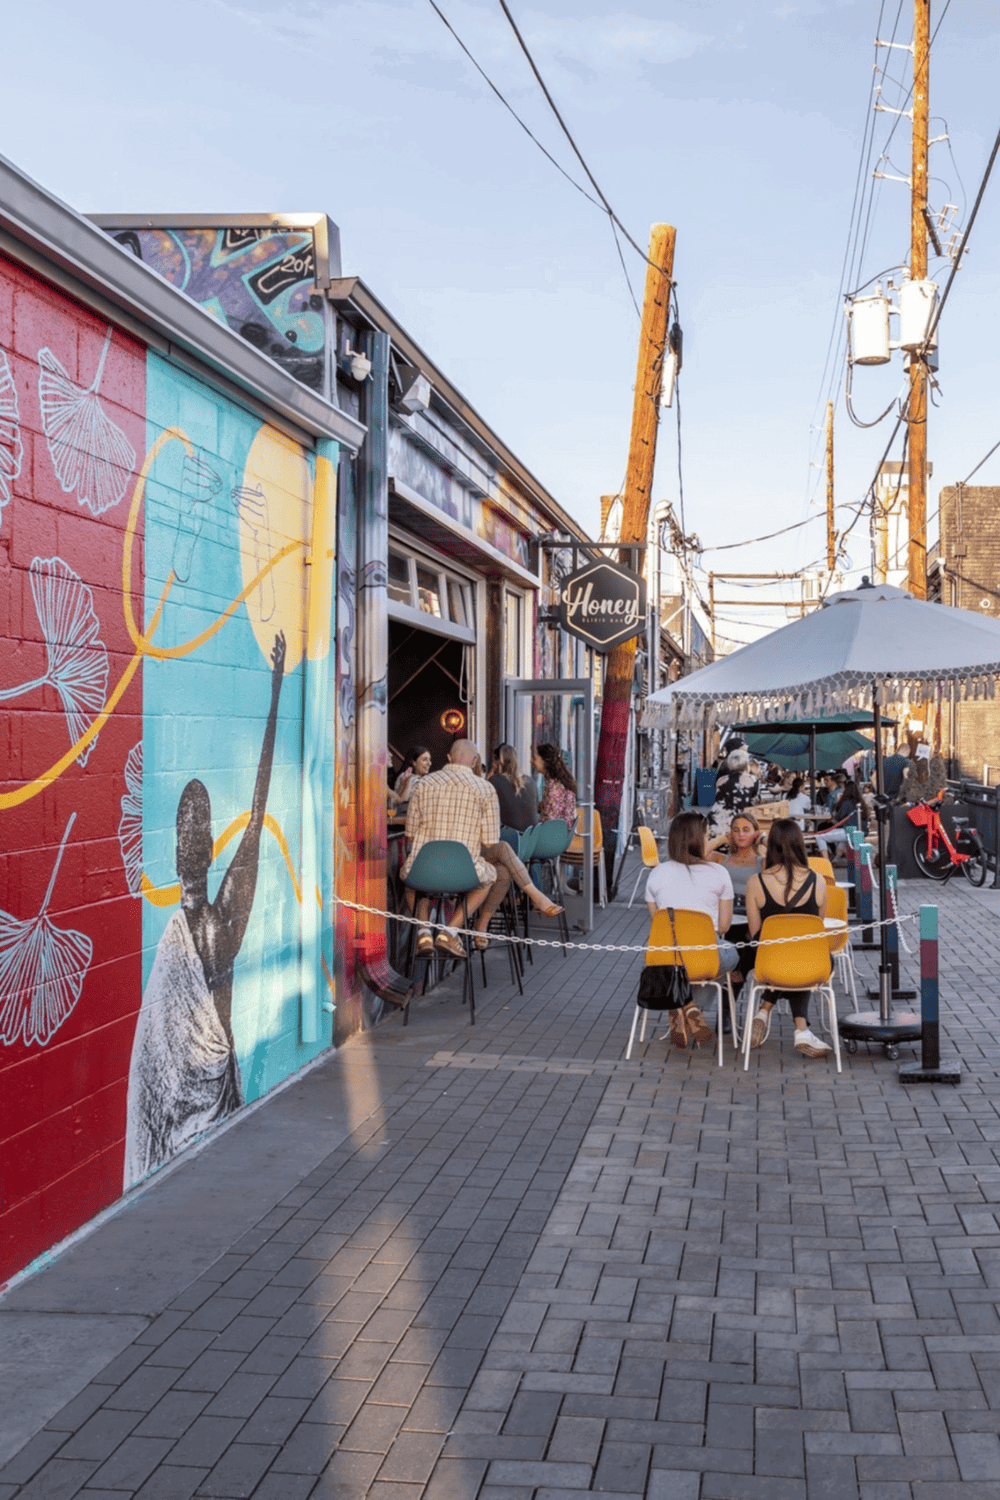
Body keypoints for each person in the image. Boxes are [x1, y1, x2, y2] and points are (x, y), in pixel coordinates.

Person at [125, 632, 286, 1188]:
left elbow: (261, 804)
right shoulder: (178, 935)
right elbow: (150, 1072)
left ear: (212, 840)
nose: (190, 839)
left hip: (218, 1094)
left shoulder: (223, 922)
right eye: (184, 829)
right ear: (174, 846)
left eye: (200, 827)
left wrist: (275, 691)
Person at [402, 739, 511, 958]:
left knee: (410, 878)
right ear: (473, 761)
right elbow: (490, 841)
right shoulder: (485, 789)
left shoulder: (423, 784)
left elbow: (410, 834)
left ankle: (423, 932)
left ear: (449, 758)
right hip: (464, 874)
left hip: (426, 871)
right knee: (488, 878)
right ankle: (449, 932)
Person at [645, 810, 738, 1049]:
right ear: (700, 839)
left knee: (683, 962)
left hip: (664, 958)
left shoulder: (656, 874)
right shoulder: (719, 874)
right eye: (707, 836)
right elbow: (724, 926)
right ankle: (692, 1008)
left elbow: (659, 923)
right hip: (704, 957)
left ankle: (682, 1007)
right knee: (729, 954)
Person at [744, 817, 831, 1059]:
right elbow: (818, 927)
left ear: (770, 845)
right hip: (810, 963)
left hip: (770, 963)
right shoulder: (818, 880)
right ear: (800, 844)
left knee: (786, 960)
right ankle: (801, 1029)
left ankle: (764, 1009)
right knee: (803, 957)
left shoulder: (756, 882)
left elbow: (755, 933)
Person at [708, 811, 763, 1002]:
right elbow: (695, 854)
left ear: (755, 833)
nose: (740, 834)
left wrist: (763, 840)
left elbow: (783, 855)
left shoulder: (761, 861)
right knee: (734, 936)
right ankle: (736, 976)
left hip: (752, 916)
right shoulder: (720, 859)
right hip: (726, 915)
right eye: (736, 830)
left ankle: (736, 974)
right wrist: (721, 838)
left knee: (745, 938)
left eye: (746, 830)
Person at [489, 743, 538, 832]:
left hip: (510, 839)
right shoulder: (531, 782)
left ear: (497, 761)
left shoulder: (494, 782)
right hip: (531, 839)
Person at [814, 776, 863, 859]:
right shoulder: (861, 803)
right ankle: (836, 860)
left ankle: (827, 862)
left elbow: (838, 816)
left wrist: (838, 803)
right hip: (859, 831)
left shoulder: (846, 802)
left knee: (819, 836)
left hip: (848, 830)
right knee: (843, 836)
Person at [534, 743, 577, 827]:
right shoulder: (562, 783)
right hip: (563, 836)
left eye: (535, 758)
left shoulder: (552, 787)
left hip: (551, 837)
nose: (531, 761)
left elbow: (547, 820)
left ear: (544, 761)